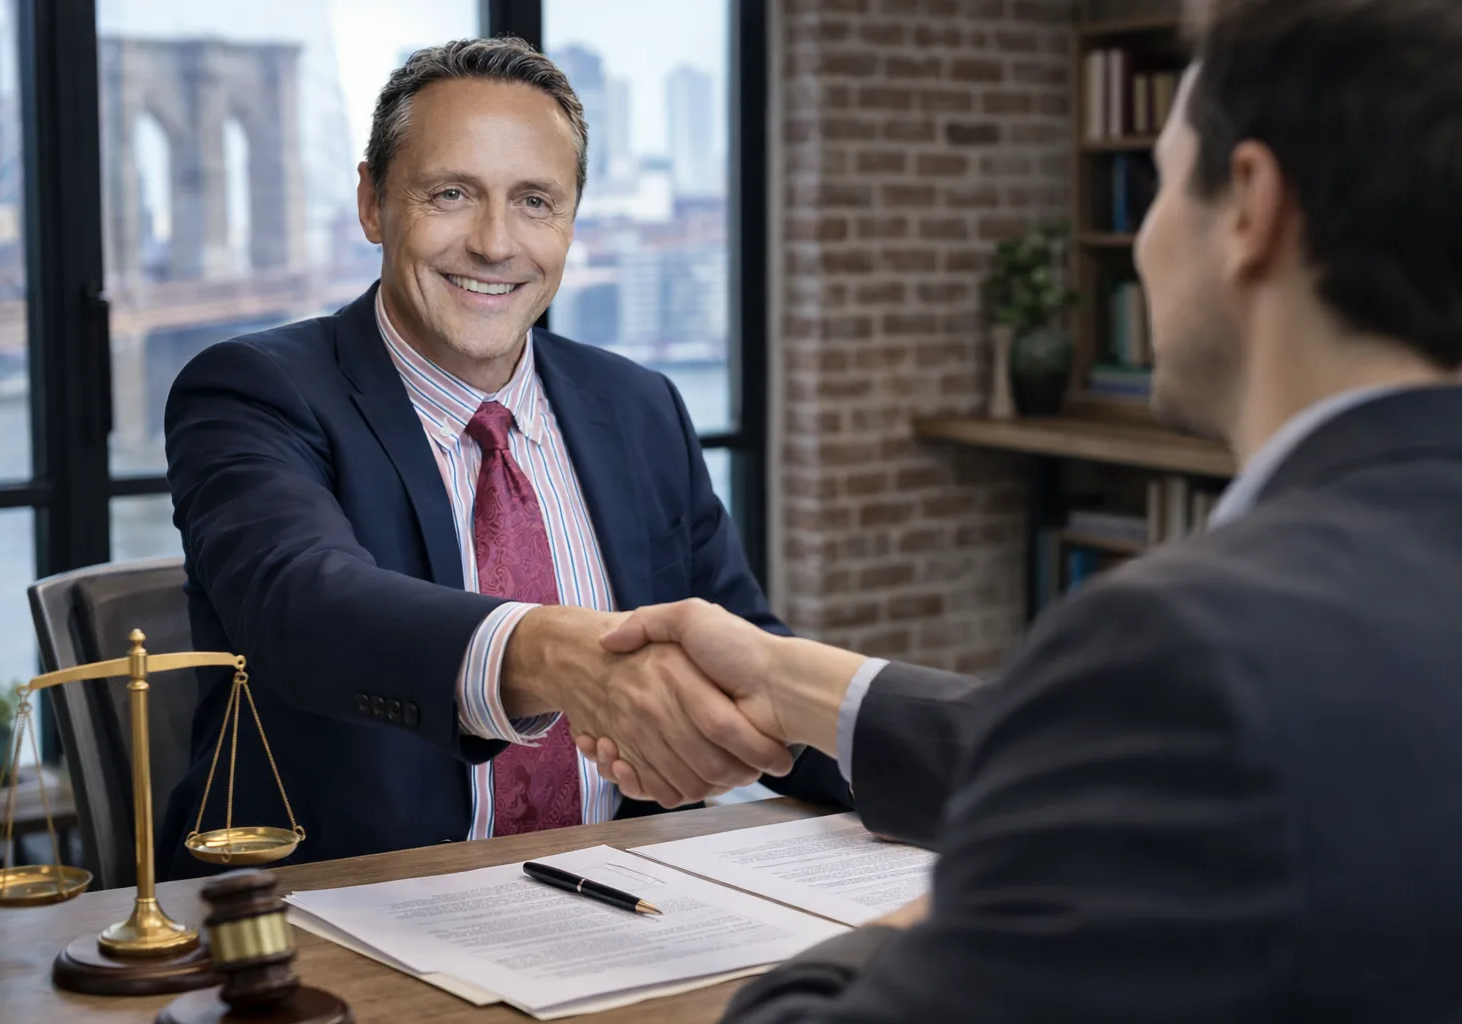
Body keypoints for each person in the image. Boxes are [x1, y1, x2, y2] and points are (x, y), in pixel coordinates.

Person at [581, 0, 1462, 1018]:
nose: (1139, 244)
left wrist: (959, 907)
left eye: (1166, 185)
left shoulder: (1185, 644)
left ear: (1251, 207)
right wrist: (789, 676)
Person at [158, 38, 850, 879]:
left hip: (628, 900)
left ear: (569, 225)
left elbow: (745, 652)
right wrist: (557, 653)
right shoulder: (251, 390)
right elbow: (302, 607)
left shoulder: (640, 407)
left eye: (534, 202)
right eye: (451, 194)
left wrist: (931, 777)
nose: (494, 244)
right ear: (372, 203)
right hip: (336, 923)